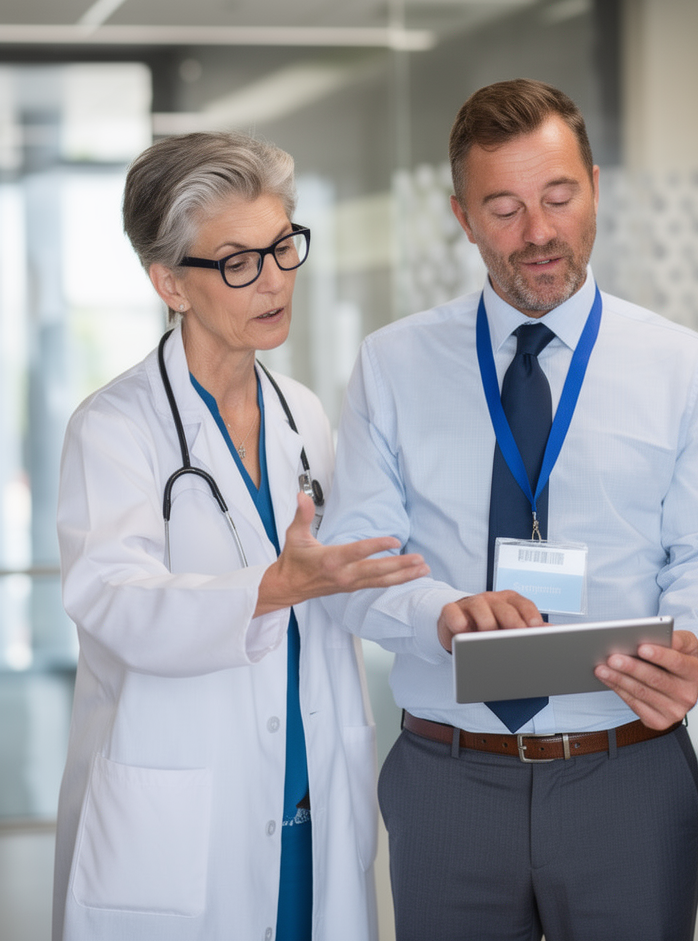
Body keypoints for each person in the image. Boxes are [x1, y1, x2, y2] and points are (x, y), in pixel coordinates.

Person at [317, 78, 698, 940]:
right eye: (504, 208)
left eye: (559, 197)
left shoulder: (680, 365)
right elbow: (353, 563)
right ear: (462, 216)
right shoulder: (393, 365)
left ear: (595, 186)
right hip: (450, 777)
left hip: (627, 770)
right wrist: (440, 613)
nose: (539, 232)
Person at [52, 131, 428, 941]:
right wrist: (273, 587)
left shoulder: (306, 414)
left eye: (283, 248)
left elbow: (349, 574)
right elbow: (109, 599)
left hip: (311, 790)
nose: (275, 281)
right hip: (188, 811)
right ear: (169, 284)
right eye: (237, 261)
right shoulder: (114, 429)